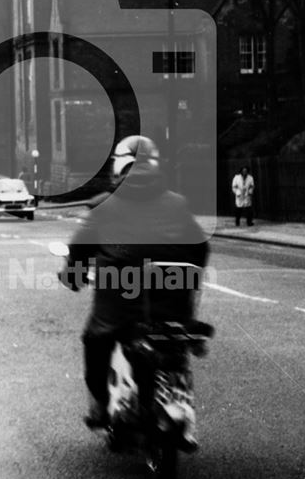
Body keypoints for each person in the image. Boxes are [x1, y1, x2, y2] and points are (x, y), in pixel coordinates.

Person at [60, 135, 209, 443]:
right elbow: (200, 249)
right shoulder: (177, 203)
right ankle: (176, 401)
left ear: (119, 167)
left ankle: (102, 406)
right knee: (178, 348)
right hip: (173, 308)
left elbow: (78, 250)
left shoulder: (103, 206)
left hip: (119, 311)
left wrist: (73, 276)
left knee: (94, 342)